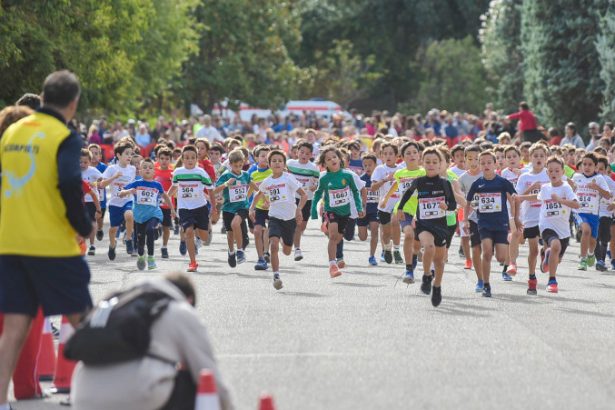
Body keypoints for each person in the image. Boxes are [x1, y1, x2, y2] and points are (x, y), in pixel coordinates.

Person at [0, 70, 94, 410]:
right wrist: (83, 224)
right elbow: (70, 182)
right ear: (74, 102)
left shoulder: (12, 131)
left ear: (42, 95)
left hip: (10, 241)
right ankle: (104, 389)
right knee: (82, 318)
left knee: (13, 326)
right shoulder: (64, 136)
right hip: (50, 242)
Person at [71, 272, 233, 410]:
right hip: (135, 396)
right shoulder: (179, 310)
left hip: (82, 397)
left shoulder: (115, 301)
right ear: (189, 300)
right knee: (195, 383)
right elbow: (208, 374)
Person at [397, 147, 457, 306]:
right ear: (422, 163)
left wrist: (446, 206)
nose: (431, 165)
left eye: (434, 162)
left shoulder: (445, 183)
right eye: (428, 162)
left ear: (440, 165)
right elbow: (407, 194)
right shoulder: (419, 181)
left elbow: (453, 204)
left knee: (439, 260)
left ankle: (437, 287)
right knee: (428, 247)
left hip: (441, 225)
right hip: (423, 224)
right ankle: (426, 275)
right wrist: (401, 208)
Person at [519, 156, 579, 294]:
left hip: (563, 230)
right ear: (547, 173)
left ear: (563, 172)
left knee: (557, 258)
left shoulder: (566, 188)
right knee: (555, 246)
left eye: (557, 171)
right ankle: (552, 281)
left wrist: (560, 200)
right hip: (546, 226)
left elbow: (576, 204)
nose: (553, 173)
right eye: (550, 171)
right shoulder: (545, 188)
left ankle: (546, 255)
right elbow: (537, 197)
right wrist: (521, 198)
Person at [464, 151, 520, 298]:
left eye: (489, 162)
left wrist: (515, 217)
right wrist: (465, 220)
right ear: (479, 165)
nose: (486, 165)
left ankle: (502, 249)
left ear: (495, 164)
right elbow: (468, 202)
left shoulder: (502, 182)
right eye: (482, 163)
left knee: (501, 258)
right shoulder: (477, 183)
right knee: (487, 252)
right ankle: (486, 285)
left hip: (501, 223)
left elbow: (514, 197)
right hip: (484, 223)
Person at [250, 150, 307, 289]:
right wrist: (251, 208)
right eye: (274, 161)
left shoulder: (288, 178)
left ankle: (284, 240)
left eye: (280, 161)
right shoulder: (267, 181)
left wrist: (299, 209)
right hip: (274, 216)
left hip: (290, 218)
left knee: (287, 251)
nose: (277, 163)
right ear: (269, 165)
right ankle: (276, 275)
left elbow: (303, 195)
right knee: (273, 245)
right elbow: (258, 193)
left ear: (284, 164)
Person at [311, 145, 364, 278]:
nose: (332, 160)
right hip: (331, 210)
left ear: (340, 159)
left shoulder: (348, 175)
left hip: (345, 212)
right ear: (324, 164)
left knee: (339, 238)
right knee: (333, 236)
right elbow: (317, 194)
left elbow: (356, 192)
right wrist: (313, 210)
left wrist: (359, 208)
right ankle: (332, 265)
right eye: (328, 159)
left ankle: (328, 228)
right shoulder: (324, 178)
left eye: (334, 157)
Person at [120, 159, 175, 270]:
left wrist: (172, 210)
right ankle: (141, 255)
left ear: (154, 171)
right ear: (140, 171)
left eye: (150, 167)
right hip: (140, 216)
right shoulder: (136, 183)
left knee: (150, 230)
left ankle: (151, 258)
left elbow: (165, 196)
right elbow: (121, 193)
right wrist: (129, 191)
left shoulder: (157, 185)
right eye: (144, 167)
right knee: (140, 239)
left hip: (154, 213)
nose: (147, 169)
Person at [168, 146, 215, 272]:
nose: (190, 160)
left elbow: (210, 190)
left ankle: (202, 232)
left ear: (196, 159)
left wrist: (213, 207)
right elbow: (174, 186)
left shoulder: (201, 173)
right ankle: (193, 262)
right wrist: (166, 197)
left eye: (193, 158)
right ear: (182, 159)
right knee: (188, 232)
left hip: (200, 207)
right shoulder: (178, 172)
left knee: (204, 238)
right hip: (184, 208)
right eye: (187, 158)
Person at [573, 152, 612, 270]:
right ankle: (583, 260)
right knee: (586, 231)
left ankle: (591, 254)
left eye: (590, 164)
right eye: (584, 164)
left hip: (594, 214)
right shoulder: (576, 177)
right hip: (579, 211)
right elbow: (569, 191)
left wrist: (597, 188)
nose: (587, 167)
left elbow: (608, 196)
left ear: (595, 166)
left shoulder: (599, 179)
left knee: (593, 240)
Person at [287, 140, 320, 261]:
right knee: (295, 223)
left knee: (301, 226)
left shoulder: (314, 168)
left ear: (311, 155)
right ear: (297, 152)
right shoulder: (290, 164)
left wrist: (314, 187)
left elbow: (317, 183)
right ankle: (297, 249)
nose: (304, 155)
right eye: (302, 152)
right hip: (291, 197)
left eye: (307, 153)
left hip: (307, 198)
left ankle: (293, 240)